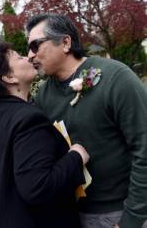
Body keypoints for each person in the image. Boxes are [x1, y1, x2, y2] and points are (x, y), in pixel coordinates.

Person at [26, 13, 147, 228]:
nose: (29, 55)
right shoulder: (42, 97)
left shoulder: (116, 78)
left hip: (122, 213)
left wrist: (132, 219)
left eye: (35, 45)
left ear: (65, 43)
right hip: (71, 216)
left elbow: (144, 148)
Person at [0, 42, 90, 228]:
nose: (28, 57)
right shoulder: (28, 119)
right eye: (18, 57)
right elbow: (38, 187)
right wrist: (77, 156)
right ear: (9, 77)